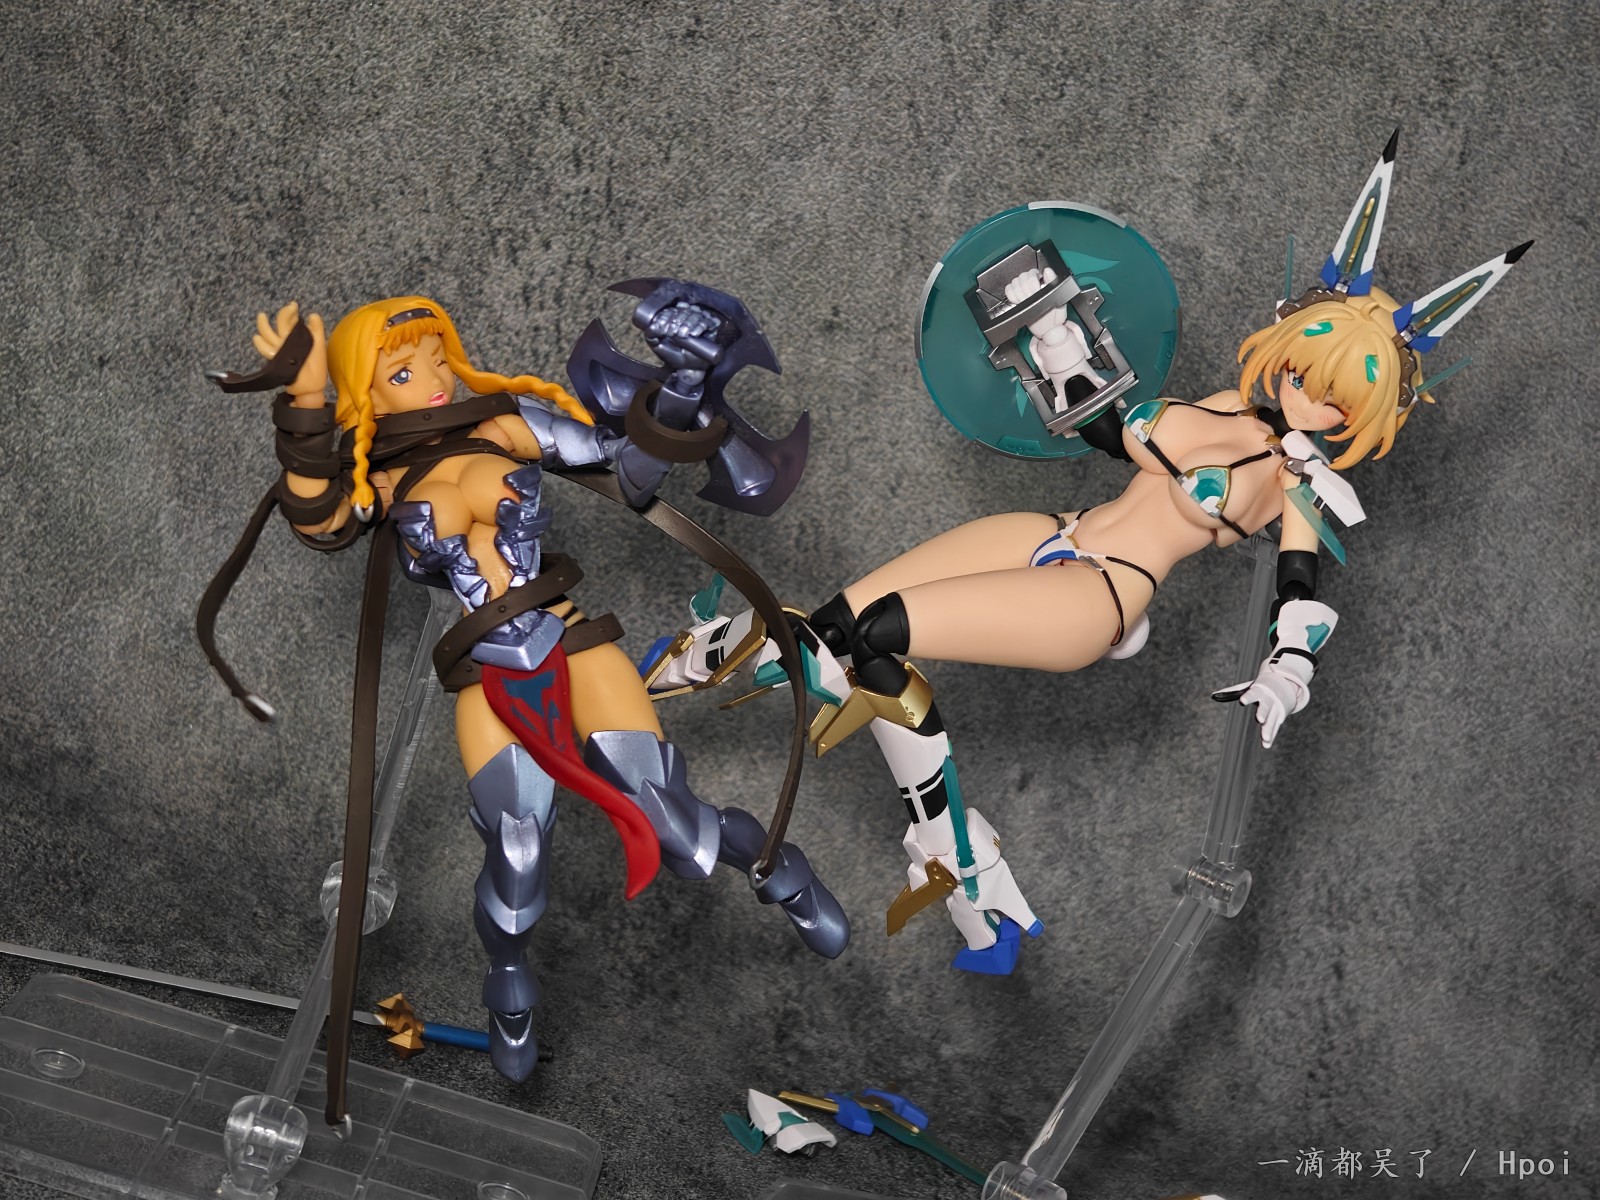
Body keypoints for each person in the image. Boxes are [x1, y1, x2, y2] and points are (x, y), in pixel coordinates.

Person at [645, 136, 1528, 974]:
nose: (1307, 395)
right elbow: (1112, 433)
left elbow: (1298, 589)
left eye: (1334, 399)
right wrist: (1057, 345)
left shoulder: (1299, 489)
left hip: (1102, 594)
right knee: (838, 622)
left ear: (1363, 419)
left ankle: (956, 860)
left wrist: (1287, 668)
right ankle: (683, 671)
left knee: (875, 639)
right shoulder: (1226, 403)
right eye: (1304, 370)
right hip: (1056, 531)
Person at [220, 289, 848, 1082]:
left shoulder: (505, 423)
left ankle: (780, 873)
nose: (435, 381)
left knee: (673, 823)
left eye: (439, 360)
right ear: (365, 391)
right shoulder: (376, 479)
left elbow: (629, 472)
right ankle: (508, 990)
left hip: (571, 641)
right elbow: (318, 521)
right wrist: (307, 400)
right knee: (517, 851)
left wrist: (680, 390)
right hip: (486, 672)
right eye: (404, 373)